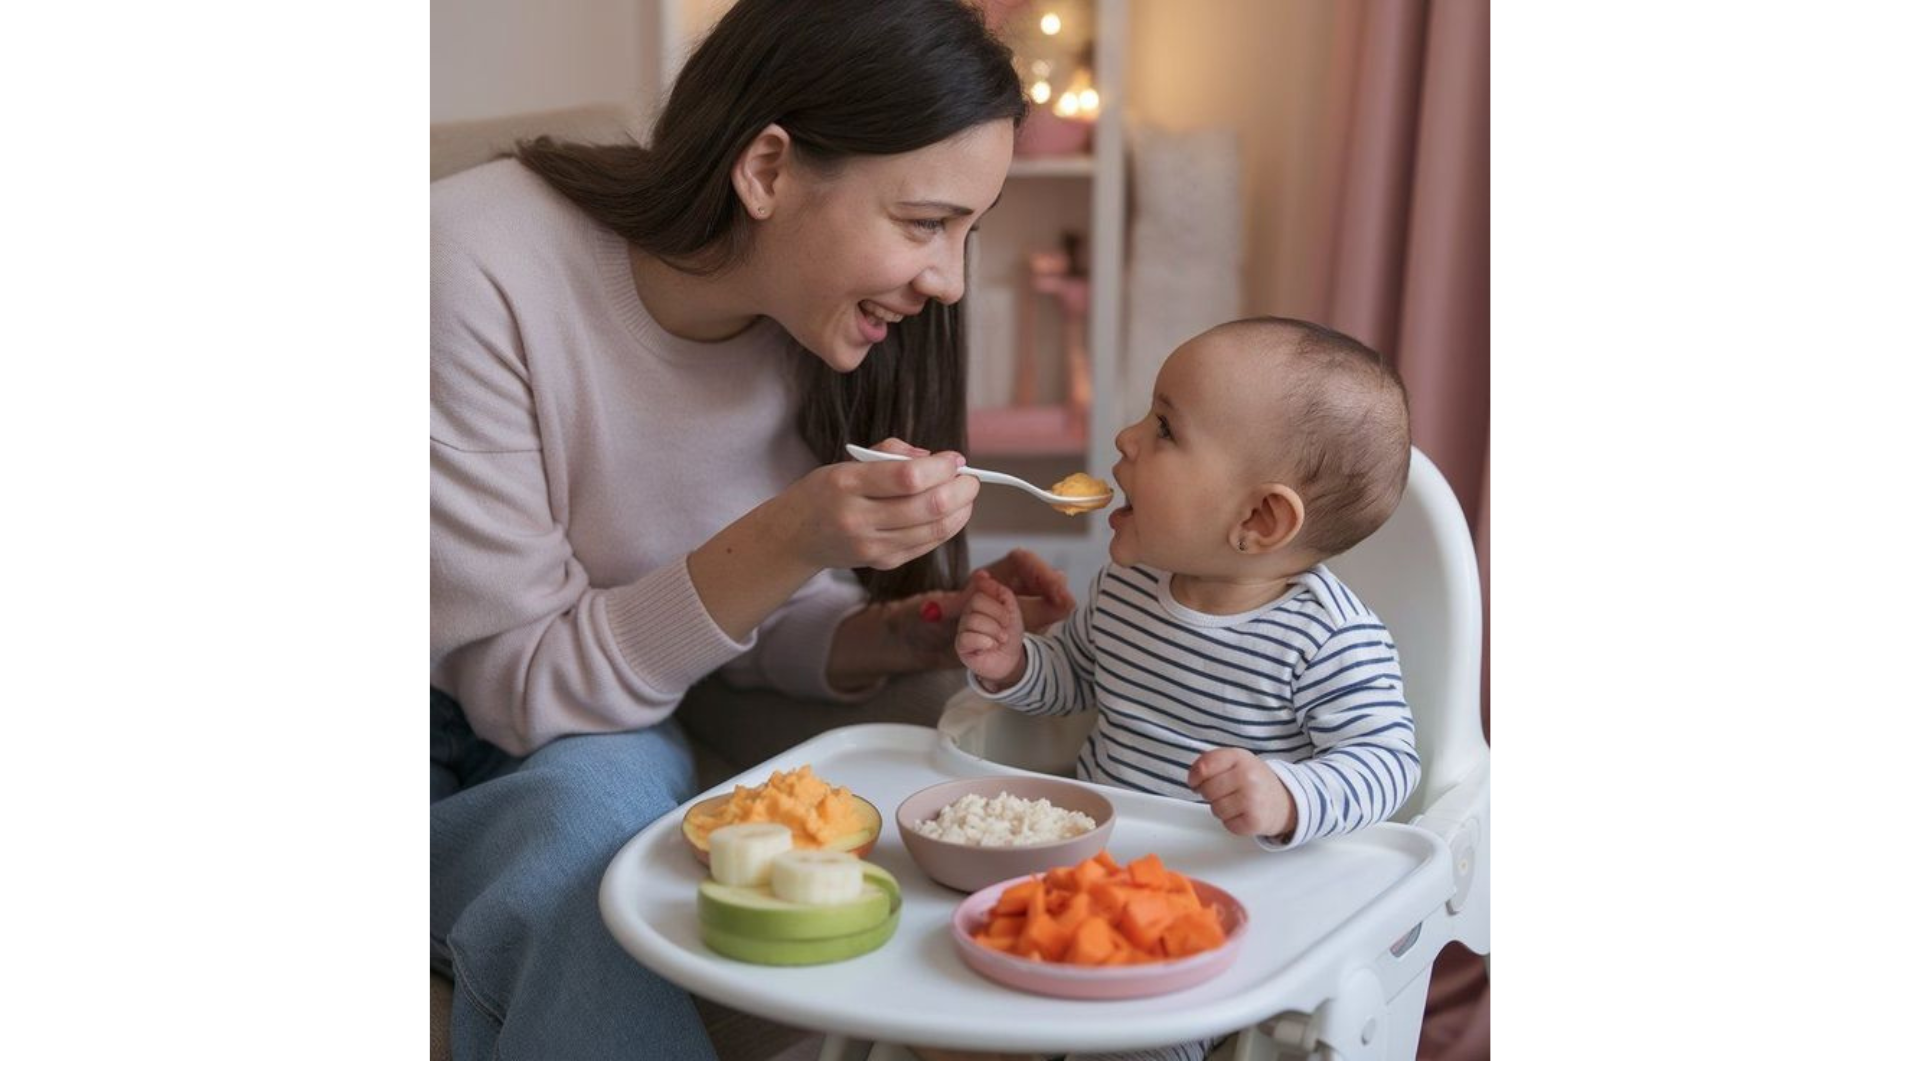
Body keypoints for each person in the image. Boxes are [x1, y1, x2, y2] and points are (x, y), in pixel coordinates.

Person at [432, 0, 1074, 1060]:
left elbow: (715, 625)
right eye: (924, 223)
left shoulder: (812, 330)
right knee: (590, 856)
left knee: (617, 844)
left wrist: (893, 629)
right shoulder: (472, 263)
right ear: (768, 169)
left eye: (969, 231)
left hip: (595, 726)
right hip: (459, 709)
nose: (949, 280)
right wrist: (788, 537)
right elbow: (522, 692)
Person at [955, 317, 1422, 1060]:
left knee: (1138, 1047)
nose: (1126, 438)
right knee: (958, 999)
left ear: (1259, 519)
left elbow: (1389, 762)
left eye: (1165, 429)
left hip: (1209, 907)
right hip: (1084, 867)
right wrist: (1013, 664)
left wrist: (1287, 796)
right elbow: (1076, 682)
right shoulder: (1127, 586)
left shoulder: (1328, 639)